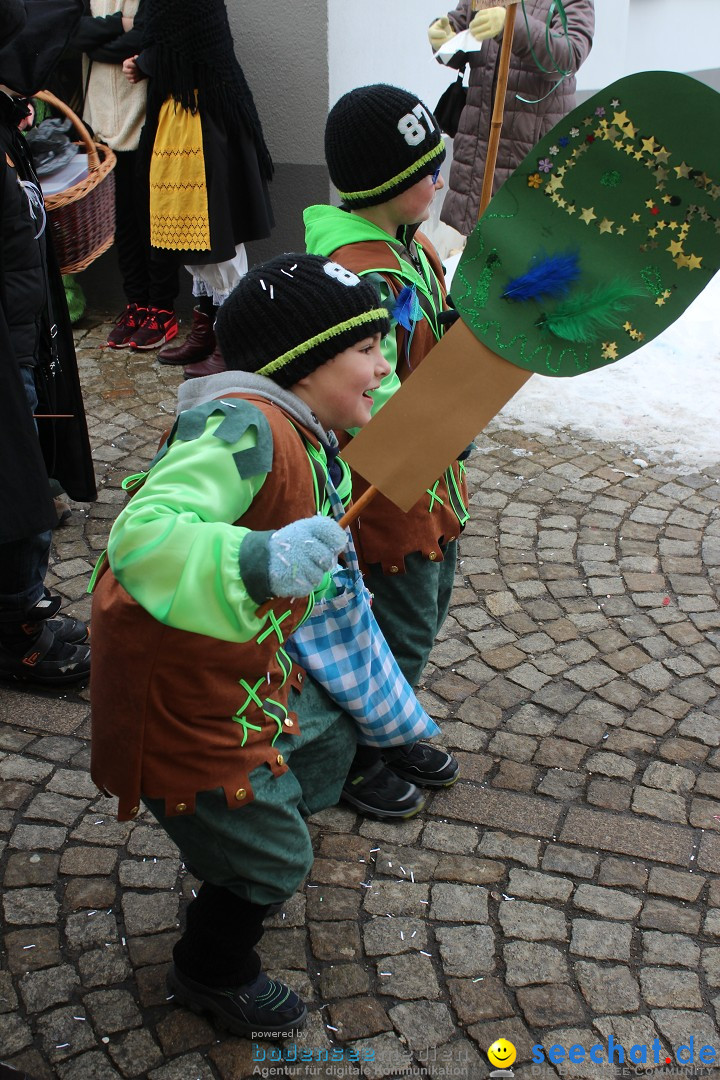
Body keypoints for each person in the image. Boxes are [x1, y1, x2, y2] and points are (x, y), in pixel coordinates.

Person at [90, 254, 391, 1036]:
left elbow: (373, 414)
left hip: (239, 663)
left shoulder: (305, 418)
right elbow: (144, 533)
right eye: (367, 350)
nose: (384, 364)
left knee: (330, 737)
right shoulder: (244, 425)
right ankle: (212, 966)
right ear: (305, 360)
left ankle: (254, 840)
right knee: (273, 858)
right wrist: (258, 560)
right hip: (180, 684)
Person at [305, 84, 466, 819]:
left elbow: (424, 336)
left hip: (431, 473)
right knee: (392, 620)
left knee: (424, 609)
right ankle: (356, 756)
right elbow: (375, 395)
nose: (440, 178)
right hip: (386, 484)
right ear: (387, 184)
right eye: (427, 169)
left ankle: (390, 725)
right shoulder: (363, 272)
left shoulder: (412, 246)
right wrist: (450, 408)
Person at [0, 0, 94, 687]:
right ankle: (14, 628)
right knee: (15, 489)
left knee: (25, 480)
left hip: (23, 335)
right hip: (6, 345)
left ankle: (21, 606)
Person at [119, 0, 274, 376]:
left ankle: (233, 341)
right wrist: (146, 59)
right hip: (178, 116)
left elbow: (188, 50)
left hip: (208, 122)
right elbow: (157, 38)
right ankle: (206, 332)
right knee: (186, 233)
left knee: (217, 238)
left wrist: (144, 63)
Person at [428, 0, 595, 235]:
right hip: (479, 149)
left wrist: (510, 25)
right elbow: (463, 29)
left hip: (529, 148)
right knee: (475, 243)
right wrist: (445, 36)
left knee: (521, 245)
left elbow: (569, 56)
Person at [68, 0, 151, 350]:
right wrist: (123, 24)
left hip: (145, 111)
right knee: (122, 224)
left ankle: (157, 308)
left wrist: (102, 42)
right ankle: (135, 303)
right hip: (99, 119)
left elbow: (152, 32)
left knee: (150, 219)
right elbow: (73, 33)